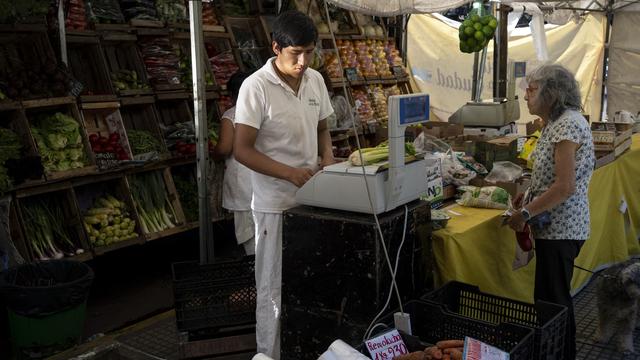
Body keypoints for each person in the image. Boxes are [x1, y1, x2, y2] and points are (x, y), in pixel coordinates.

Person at [233, 10, 335, 359]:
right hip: (274, 204)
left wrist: (328, 158)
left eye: (310, 52)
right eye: (296, 53)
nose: (303, 61)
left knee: (308, 281)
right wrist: (289, 173)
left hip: (312, 199)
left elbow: (323, 127)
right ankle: (269, 354)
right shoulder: (255, 87)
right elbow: (241, 150)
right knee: (272, 287)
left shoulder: (315, 80)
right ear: (276, 47)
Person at [506, 64, 594, 360]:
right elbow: (549, 175)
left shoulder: (568, 124)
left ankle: (561, 355)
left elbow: (565, 186)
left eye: (532, 90)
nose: (526, 96)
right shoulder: (553, 122)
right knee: (549, 299)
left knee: (553, 302)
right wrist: (527, 193)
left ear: (553, 93)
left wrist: (526, 214)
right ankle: (555, 353)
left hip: (562, 229)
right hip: (554, 227)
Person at [211, 71, 254, 255]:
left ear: (232, 95)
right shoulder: (266, 111)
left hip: (243, 182)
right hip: (266, 180)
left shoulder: (232, 115)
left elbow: (224, 148)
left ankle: (258, 274)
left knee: (250, 234)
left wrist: (213, 153)